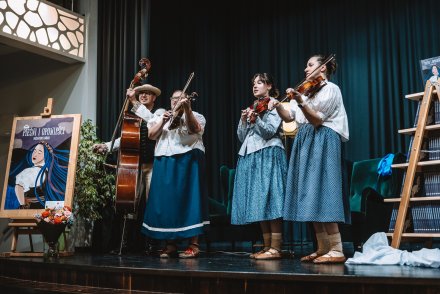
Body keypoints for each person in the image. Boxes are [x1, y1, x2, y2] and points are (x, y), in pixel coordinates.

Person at [272, 54, 350, 264]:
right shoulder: (308, 91)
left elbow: (316, 120)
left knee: (325, 189)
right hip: (305, 140)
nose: (306, 70)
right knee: (309, 192)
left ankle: (336, 248)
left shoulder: (331, 89)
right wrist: (278, 105)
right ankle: (323, 247)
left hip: (323, 137)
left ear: (323, 68)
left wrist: (300, 100)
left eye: (310, 65)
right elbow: (289, 117)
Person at [93, 84, 164, 253]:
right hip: (134, 165)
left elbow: (153, 123)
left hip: (154, 165)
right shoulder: (132, 116)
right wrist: (106, 145)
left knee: (154, 203)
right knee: (130, 204)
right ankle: (126, 242)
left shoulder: (159, 113)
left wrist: (133, 102)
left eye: (148, 93)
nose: (143, 95)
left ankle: (154, 244)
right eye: (141, 93)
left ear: (154, 98)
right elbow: (124, 138)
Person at [141, 90, 209, 259]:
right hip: (164, 160)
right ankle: (170, 244)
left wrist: (187, 110)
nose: (176, 101)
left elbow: (195, 129)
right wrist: (163, 120)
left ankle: (193, 244)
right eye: (174, 98)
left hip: (188, 158)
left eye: (181, 98)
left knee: (189, 200)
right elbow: (152, 135)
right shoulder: (161, 116)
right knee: (167, 202)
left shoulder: (196, 115)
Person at [230, 73, 287, 260]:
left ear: (269, 85)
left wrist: (256, 120)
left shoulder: (274, 104)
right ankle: (267, 245)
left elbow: (269, 132)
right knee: (258, 200)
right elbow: (241, 136)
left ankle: (276, 247)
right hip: (252, 154)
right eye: (253, 83)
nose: (255, 86)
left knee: (272, 198)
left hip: (269, 152)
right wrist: (244, 120)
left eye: (260, 82)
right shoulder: (253, 107)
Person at [5, 141, 69, 209]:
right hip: (44, 207)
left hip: (32, 209)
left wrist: (22, 204)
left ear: (45, 155)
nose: (35, 154)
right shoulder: (48, 170)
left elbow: (18, 187)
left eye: (39, 152)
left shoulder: (32, 171)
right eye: (34, 151)